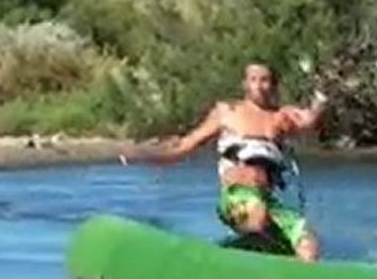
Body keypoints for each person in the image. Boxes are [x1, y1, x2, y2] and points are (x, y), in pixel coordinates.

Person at [120, 62, 327, 261]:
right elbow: (184, 146)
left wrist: (321, 95)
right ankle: (221, 256)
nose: (259, 86)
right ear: (244, 84)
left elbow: (309, 119)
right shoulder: (227, 111)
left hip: (268, 200)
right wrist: (143, 155)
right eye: (253, 79)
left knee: (308, 244)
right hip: (236, 197)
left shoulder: (281, 117)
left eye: (265, 80)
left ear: (273, 85)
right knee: (258, 217)